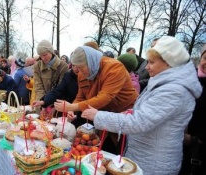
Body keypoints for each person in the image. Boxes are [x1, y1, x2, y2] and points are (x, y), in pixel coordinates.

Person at [81, 36, 202, 175]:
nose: (147, 66)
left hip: (154, 164)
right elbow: (147, 113)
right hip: (144, 156)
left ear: (168, 63)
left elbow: (139, 123)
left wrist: (98, 116)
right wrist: (130, 112)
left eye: (151, 62)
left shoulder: (174, 91)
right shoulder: (164, 84)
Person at [54, 46, 138, 153]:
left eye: (80, 67)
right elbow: (80, 96)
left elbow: (105, 97)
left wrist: (72, 106)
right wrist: (72, 109)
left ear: (90, 61)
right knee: (101, 150)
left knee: (120, 152)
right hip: (103, 117)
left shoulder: (114, 68)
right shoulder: (82, 74)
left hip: (123, 117)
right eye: (75, 67)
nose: (77, 71)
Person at [179, 44, 206, 175]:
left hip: (199, 149)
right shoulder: (190, 78)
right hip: (178, 144)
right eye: (205, 58)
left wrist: (195, 139)